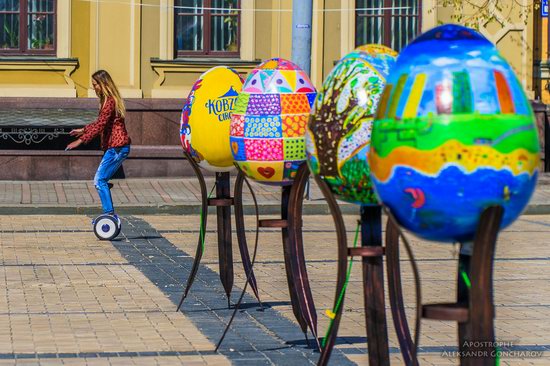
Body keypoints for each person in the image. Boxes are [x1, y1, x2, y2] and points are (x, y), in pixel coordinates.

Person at [66, 70, 131, 216]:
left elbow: (100, 125)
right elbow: (100, 123)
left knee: (99, 180)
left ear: (103, 84)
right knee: (101, 180)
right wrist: (83, 130)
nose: (93, 87)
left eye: (95, 84)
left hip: (117, 148)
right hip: (117, 147)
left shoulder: (109, 102)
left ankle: (109, 214)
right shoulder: (110, 100)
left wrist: (80, 141)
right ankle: (106, 194)